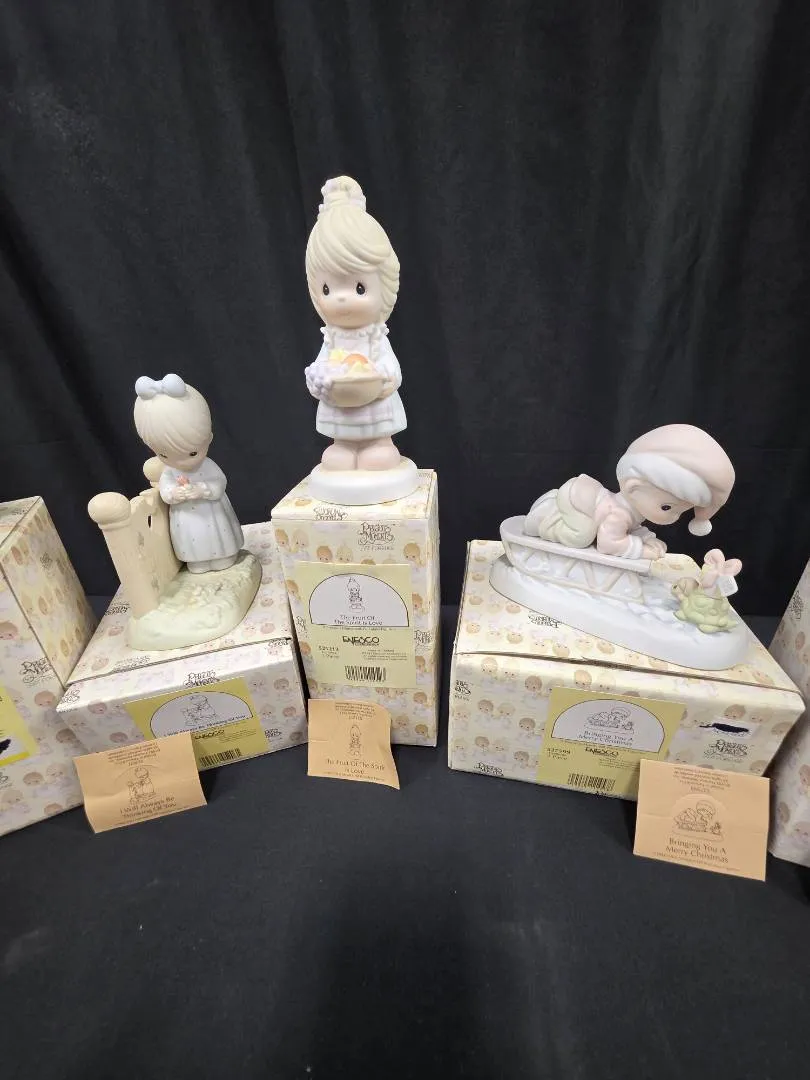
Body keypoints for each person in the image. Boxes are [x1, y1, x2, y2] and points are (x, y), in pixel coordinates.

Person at [304, 176, 406, 472]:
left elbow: (392, 368)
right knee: (340, 446)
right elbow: (321, 365)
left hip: (374, 403)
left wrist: (382, 378)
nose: (341, 298)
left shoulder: (375, 336)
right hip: (341, 407)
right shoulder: (331, 339)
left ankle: (379, 445)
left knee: (378, 445)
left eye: (359, 288)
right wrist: (318, 379)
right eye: (327, 289)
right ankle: (345, 446)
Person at [524, 424, 735, 559]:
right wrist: (641, 550)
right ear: (633, 487)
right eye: (667, 507)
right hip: (576, 501)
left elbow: (631, 528)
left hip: (589, 497)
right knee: (581, 536)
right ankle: (543, 520)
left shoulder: (630, 514)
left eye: (680, 512)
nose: (673, 517)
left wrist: (646, 537)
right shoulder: (619, 515)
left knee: (586, 531)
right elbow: (609, 543)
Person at [133, 374, 243, 573]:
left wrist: (203, 490)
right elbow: (166, 491)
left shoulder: (208, 466)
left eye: (192, 453)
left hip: (212, 513)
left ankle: (225, 555)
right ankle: (197, 560)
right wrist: (174, 494)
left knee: (219, 538)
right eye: (164, 455)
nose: (181, 462)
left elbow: (219, 483)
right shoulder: (169, 472)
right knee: (194, 545)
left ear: (208, 438)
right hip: (186, 518)